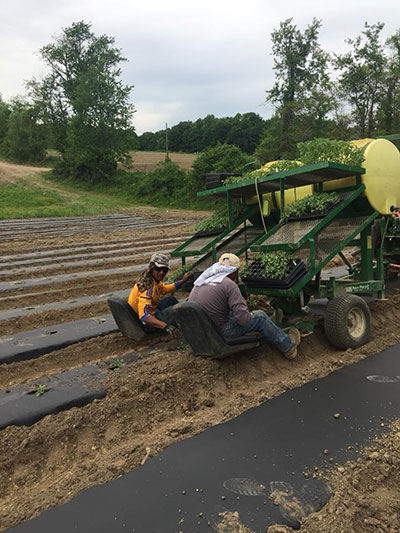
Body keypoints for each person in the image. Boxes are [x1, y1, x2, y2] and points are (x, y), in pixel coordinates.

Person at [188, 253, 301, 359]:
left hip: (200, 332)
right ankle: (288, 346)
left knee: (234, 313)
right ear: (233, 271)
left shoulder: (201, 282)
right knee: (260, 317)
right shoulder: (229, 285)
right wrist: (244, 305)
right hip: (220, 332)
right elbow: (243, 320)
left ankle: (269, 326)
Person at [128, 253, 192, 338]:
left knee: (171, 300)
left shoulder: (151, 279)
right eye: (158, 269)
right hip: (147, 321)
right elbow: (144, 316)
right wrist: (166, 326)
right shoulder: (147, 289)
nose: (162, 272)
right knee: (180, 310)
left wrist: (182, 281)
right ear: (151, 268)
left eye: (164, 270)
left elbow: (164, 289)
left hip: (151, 309)